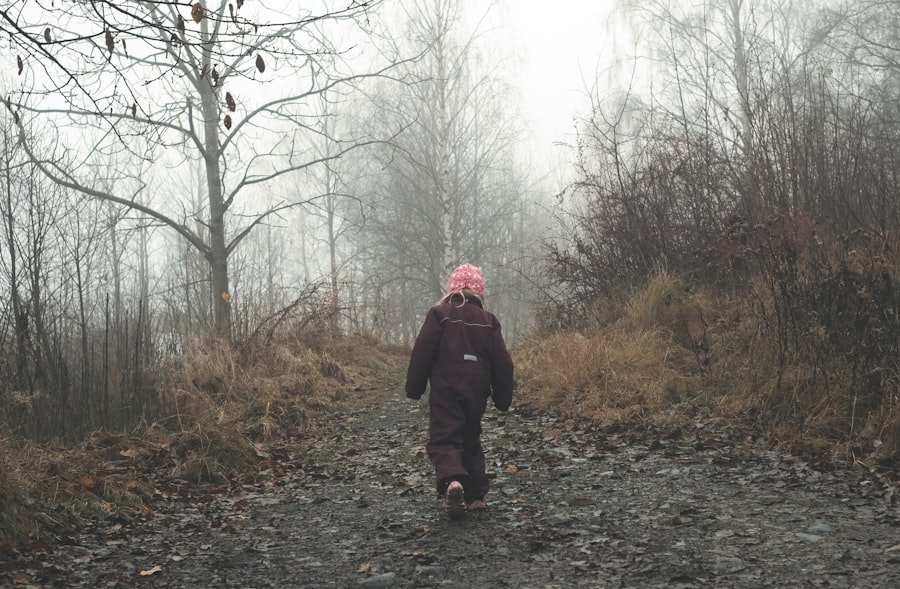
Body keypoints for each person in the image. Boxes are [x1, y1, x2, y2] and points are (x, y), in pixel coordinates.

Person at [405, 263, 515, 519]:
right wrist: (502, 397)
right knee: (470, 437)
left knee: (444, 437)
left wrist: (415, 387)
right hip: (477, 388)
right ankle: (475, 496)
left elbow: (423, 352)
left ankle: (453, 481)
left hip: (446, 385)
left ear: (452, 288)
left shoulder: (439, 313)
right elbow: (502, 362)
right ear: (479, 292)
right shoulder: (489, 321)